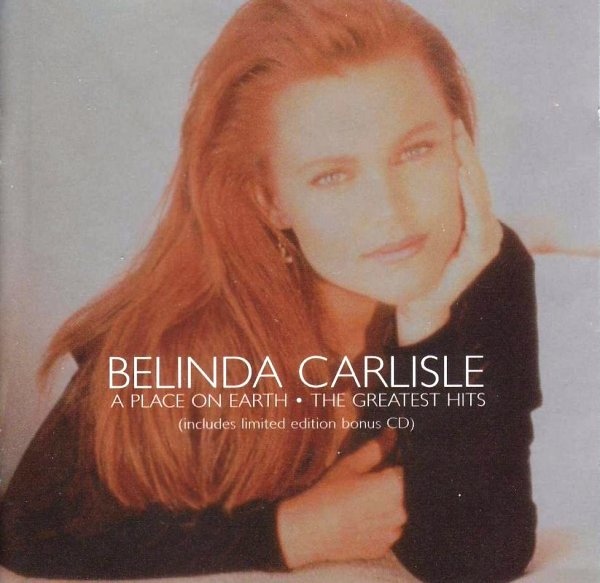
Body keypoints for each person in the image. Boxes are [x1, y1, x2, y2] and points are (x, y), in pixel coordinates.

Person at [0, 0, 542, 581]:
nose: (391, 212)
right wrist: (287, 533)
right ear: (271, 201)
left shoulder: (485, 268)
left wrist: (427, 323)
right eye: (332, 176)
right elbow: (25, 538)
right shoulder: (174, 329)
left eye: (415, 151)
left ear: (460, 144)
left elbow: (477, 559)